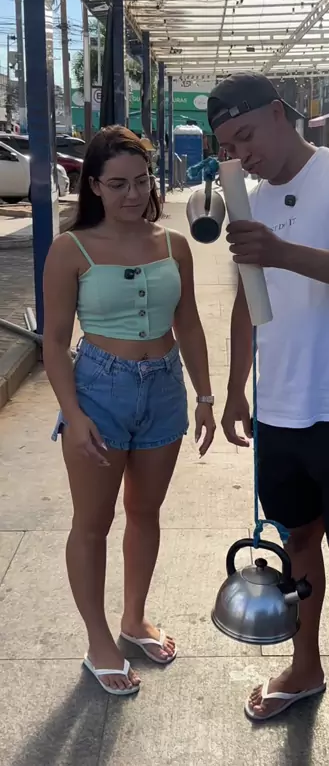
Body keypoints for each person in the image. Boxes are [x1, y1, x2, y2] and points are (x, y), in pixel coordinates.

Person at [208, 73, 329, 766]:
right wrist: (236, 389)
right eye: (229, 146)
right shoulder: (252, 200)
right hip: (281, 411)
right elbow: (248, 298)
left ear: (279, 114)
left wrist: (283, 251)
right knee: (297, 545)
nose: (243, 154)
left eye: (246, 136)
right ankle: (305, 666)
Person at [43, 126, 215, 696]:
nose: (133, 194)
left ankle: (133, 618)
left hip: (164, 386)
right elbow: (54, 342)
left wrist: (205, 395)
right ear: (93, 185)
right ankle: (99, 640)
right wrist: (73, 413)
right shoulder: (71, 249)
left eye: (141, 182)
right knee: (92, 522)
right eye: (117, 184)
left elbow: (189, 323)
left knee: (145, 511)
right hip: (99, 389)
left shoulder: (174, 245)